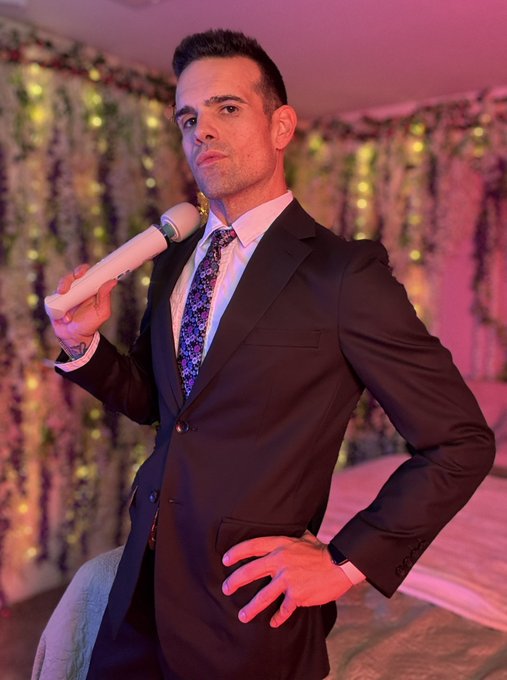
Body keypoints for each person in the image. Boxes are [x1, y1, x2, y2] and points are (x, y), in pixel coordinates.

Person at [48, 29, 495, 680]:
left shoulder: (343, 274)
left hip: (248, 606)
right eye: (188, 118)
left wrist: (344, 563)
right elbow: (160, 404)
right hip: (142, 583)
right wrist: (83, 344)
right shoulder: (174, 261)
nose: (202, 131)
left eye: (227, 108)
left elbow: (459, 441)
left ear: (281, 125)